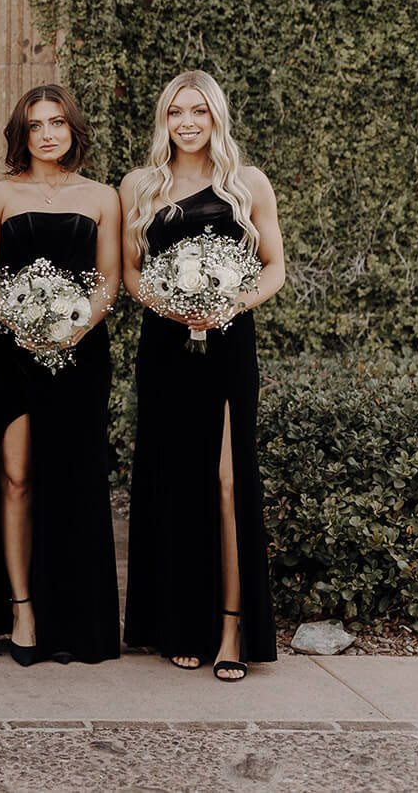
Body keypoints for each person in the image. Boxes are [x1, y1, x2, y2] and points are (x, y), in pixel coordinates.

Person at [121, 70, 286, 681]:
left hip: (227, 345)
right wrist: (162, 304)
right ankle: (179, 624)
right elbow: (131, 270)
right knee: (175, 481)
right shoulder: (139, 185)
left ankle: (231, 628)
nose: (186, 122)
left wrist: (234, 302)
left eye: (198, 111)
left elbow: (274, 267)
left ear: (217, 117)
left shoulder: (247, 184)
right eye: (175, 112)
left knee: (225, 480)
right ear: (163, 120)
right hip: (164, 346)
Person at [0, 85, 122, 665]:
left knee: (74, 481)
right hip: (11, 350)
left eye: (57, 123)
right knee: (16, 475)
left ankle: (73, 616)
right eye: (36, 125)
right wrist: (21, 321)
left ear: (73, 130)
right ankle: (22, 609)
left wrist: (76, 324)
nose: (48, 134)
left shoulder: (102, 197)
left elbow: (110, 280)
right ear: (21, 135)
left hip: (81, 353)